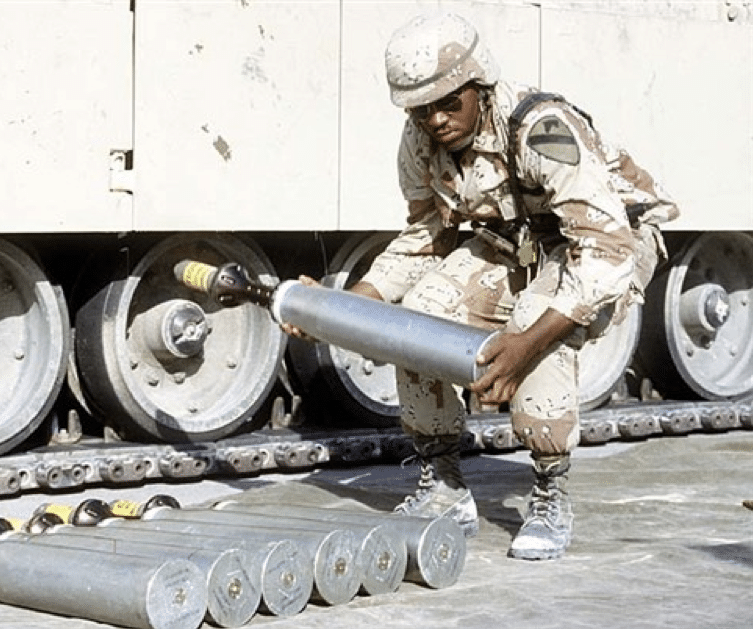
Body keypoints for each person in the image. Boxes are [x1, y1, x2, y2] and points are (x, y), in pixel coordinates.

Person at [286, 12, 678, 560]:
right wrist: (351, 306)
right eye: (422, 110)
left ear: (480, 85)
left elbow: (605, 248)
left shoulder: (541, 128)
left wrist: (523, 347)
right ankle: (444, 485)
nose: (438, 120)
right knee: (416, 323)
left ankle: (549, 491)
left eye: (450, 103)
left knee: (535, 336)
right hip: (514, 241)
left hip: (603, 243)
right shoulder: (422, 139)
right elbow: (427, 235)